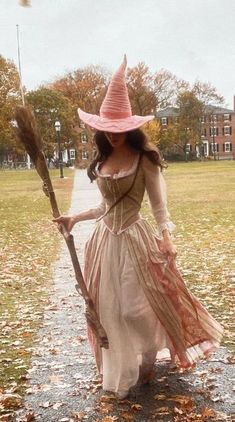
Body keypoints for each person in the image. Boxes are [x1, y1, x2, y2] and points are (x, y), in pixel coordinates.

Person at [54, 56, 223, 399]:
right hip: (105, 242)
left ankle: (148, 354)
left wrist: (167, 238)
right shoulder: (101, 159)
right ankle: (123, 365)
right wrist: (74, 218)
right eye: (108, 129)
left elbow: (159, 207)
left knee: (136, 307)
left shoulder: (146, 159)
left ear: (129, 127)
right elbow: (105, 206)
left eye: (119, 129)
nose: (113, 135)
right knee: (110, 309)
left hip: (136, 239)